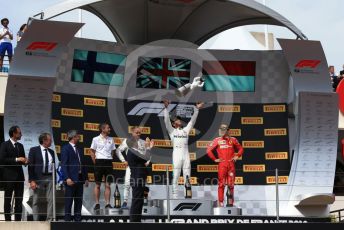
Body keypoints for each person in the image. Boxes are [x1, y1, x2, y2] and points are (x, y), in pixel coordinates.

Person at [163, 100, 204, 198]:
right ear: (173, 124)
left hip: (186, 154)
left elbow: (192, 122)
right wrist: (165, 108)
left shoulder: (186, 130)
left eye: (179, 119)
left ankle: (188, 194)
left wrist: (197, 110)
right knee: (176, 175)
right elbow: (166, 121)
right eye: (177, 120)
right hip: (176, 154)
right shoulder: (172, 131)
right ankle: (175, 196)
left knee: (187, 175)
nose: (179, 120)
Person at [206, 124, 244, 207]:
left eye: (224, 129)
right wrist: (214, 159)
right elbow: (208, 150)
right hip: (222, 165)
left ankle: (230, 202)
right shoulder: (217, 140)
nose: (222, 131)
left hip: (231, 165)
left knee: (231, 184)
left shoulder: (233, 139)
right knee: (221, 184)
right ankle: (221, 202)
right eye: (221, 129)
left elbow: (241, 149)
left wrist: (237, 156)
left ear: (227, 130)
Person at [116, 126, 151, 208]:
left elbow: (149, 154)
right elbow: (118, 150)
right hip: (131, 166)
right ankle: (125, 202)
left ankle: (139, 202)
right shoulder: (127, 141)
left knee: (140, 185)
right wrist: (123, 160)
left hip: (141, 167)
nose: (138, 134)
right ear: (132, 133)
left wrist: (147, 162)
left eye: (140, 133)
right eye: (136, 132)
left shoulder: (143, 142)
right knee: (128, 183)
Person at [0, 126, 28, 221]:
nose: (21, 134)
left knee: (19, 200)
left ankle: (18, 221)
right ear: (14, 134)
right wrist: (17, 159)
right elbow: (2, 159)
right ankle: (7, 221)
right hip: (8, 176)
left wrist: (25, 161)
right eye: (19, 133)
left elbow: (22, 160)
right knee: (7, 200)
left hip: (19, 177)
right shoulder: (4, 145)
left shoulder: (20, 146)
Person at [61, 130, 88, 221]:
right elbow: (64, 165)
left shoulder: (79, 149)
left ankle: (78, 220)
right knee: (68, 201)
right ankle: (67, 221)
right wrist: (67, 178)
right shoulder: (66, 148)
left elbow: (83, 164)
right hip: (70, 179)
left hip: (80, 178)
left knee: (78, 201)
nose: (79, 137)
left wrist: (86, 178)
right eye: (77, 136)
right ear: (73, 137)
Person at [28, 133, 56, 221]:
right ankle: (36, 220)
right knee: (36, 200)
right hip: (38, 178)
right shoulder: (34, 150)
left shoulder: (51, 152)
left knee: (51, 200)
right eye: (49, 140)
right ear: (44, 140)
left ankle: (50, 219)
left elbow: (53, 166)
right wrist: (32, 180)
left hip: (50, 177)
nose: (51, 141)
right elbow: (30, 166)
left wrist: (55, 179)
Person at [126, 133, 153, 222]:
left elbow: (142, 161)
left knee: (139, 200)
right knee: (137, 201)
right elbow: (146, 157)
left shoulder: (133, 151)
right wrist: (149, 147)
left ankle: (136, 220)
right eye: (136, 141)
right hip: (137, 179)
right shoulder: (132, 151)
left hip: (138, 178)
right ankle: (134, 221)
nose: (138, 142)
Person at [90, 122, 116, 211]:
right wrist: (96, 163)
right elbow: (92, 152)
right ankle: (97, 203)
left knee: (108, 184)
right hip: (99, 162)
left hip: (108, 162)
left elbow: (113, 152)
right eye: (108, 128)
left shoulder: (111, 139)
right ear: (102, 129)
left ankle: (107, 203)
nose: (109, 129)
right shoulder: (95, 139)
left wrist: (109, 158)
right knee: (97, 184)